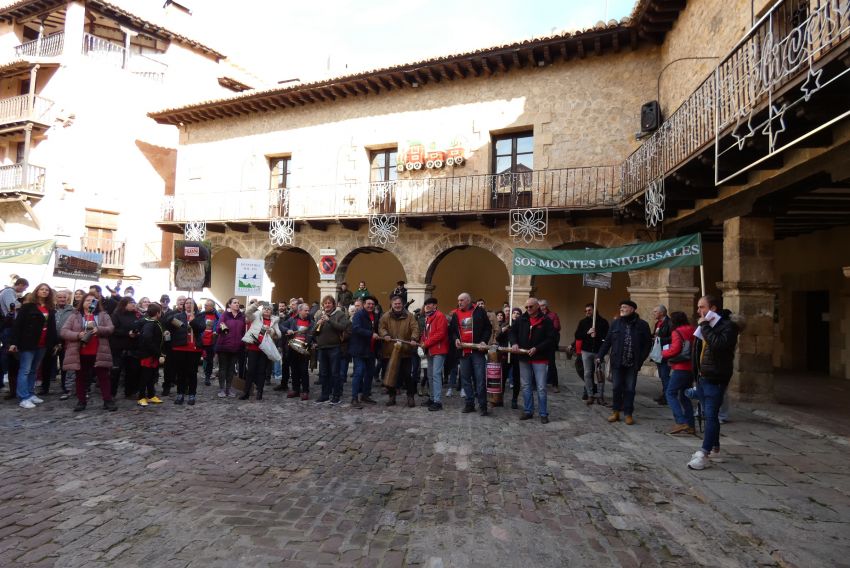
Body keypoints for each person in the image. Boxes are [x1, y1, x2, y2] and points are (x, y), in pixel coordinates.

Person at [687, 296, 743, 470]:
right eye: (698, 307)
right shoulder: (705, 326)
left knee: (711, 415)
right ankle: (715, 449)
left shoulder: (728, 327)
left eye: (702, 307)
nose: (698, 311)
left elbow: (718, 344)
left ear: (713, 308)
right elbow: (698, 351)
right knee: (708, 414)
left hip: (716, 377)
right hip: (703, 376)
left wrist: (704, 326)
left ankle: (704, 452)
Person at [596, 300, 652, 426]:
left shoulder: (642, 325)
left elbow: (648, 344)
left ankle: (628, 414)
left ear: (632, 309)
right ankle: (615, 412)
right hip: (617, 362)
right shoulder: (615, 324)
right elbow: (608, 341)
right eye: (621, 307)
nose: (621, 309)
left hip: (633, 364)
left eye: (624, 307)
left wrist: (641, 359)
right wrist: (600, 355)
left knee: (630, 389)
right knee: (616, 388)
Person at [61, 292, 116, 412]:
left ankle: (107, 400)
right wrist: (78, 335)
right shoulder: (75, 316)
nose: (90, 303)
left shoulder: (102, 315)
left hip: (99, 350)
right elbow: (64, 331)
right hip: (81, 351)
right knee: (81, 378)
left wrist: (99, 329)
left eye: (93, 300)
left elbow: (111, 328)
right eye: (87, 300)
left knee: (103, 377)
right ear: (83, 302)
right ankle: (81, 401)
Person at [8, 283, 57, 409]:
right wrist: (13, 342)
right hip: (28, 343)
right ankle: (23, 397)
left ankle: (30, 393)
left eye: (47, 290)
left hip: (42, 343)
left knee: (34, 370)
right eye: (42, 289)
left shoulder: (50, 308)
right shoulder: (28, 307)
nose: (44, 291)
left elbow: (52, 327)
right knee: (25, 370)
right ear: (37, 291)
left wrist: (54, 342)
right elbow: (18, 325)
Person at [510, 297, 556, 423]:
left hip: (540, 358)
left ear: (537, 307)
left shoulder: (546, 320)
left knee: (541, 387)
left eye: (531, 306)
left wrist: (537, 348)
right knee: (526, 386)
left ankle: (543, 413)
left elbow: (551, 338)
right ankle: (528, 411)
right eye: (526, 307)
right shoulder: (521, 320)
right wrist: (514, 343)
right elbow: (512, 332)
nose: (528, 309)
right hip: (524, 357)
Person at [448, 292, 491, 415]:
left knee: (480, 379)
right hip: (463, 352)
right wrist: (456, 338)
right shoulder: (456, 314)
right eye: (458, 300)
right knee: (465, 379)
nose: (459, 302)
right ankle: (469, 404)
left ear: (468, 301)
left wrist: (483, 341)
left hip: (477, 351)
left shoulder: (479, 311)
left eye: (461, 300)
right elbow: (452, 331)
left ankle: (483, 406)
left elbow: (488, 328)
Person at [378, 295, 420, 407]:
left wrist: (413, 338)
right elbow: (381, 328)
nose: (397, 305)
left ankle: (410, 397)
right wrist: (385, 334)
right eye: (395, 304)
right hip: (390, 351)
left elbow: (415, 328)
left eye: (399, 304)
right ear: (392, 304)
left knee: (407, 375)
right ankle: (392, 397)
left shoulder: (410, 316)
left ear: (402, 304)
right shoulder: (385, 316)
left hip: (405, 351)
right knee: (391, 375)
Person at [163, 297, 205, 405]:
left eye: (191, 303)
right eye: (186, 303)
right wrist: (173, 320)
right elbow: (168, 324)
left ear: (194, 305)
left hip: (194, 348)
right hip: (180, 347)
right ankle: (180, 393)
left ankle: (192, 394)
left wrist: (193, 321)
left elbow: (201, 328)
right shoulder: (178, 316)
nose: (188, 305)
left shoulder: (199, 316)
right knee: (180, 372)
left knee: (192, 372)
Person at [662, 311, 696, 435]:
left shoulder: (677, 332)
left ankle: (681, 421)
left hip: (681, 367)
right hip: (691, 367)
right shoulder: (693, 329)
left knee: (670, 393)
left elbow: (675, 349)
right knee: (684, 396)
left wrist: (664, 353)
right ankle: (691, 425)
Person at [312, 295, 349, 405]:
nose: (327, 305)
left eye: (329, 303)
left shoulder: (339, 314)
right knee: (323, 373)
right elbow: (314, 332)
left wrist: (329, 321)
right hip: (322, 348)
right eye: (325, 303)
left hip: (334, 348)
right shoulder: (320, 315)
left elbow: (343, 327)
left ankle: (336, 395)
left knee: (335, 373)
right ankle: (324, 395)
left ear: (333, 304)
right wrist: (317, 325)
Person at [241, 300, 280, 401]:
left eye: (269, 309)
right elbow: (247, 313)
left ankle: (260, 392)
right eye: (265, 309)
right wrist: (256, 305)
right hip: (253, 347)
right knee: (250, 371)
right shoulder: (256, 316)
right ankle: (246, 392)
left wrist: (271, 331)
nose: (267, 310)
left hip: (265, 349)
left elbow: (278, 334)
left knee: (261, 371)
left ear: (271, 312)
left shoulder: (274, 320)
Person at [574, 303, 610, 406]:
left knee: (600, 374)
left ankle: (600, 396)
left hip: (599, 352)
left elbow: (607, 338)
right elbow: (577, 336)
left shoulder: (603, 322)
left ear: (594, 310)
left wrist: (597, 335)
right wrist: (587, 333)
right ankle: (590, 395)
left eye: (589, 310)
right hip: (586, 351)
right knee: (587, 373)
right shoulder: (583, 322)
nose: (587, 312)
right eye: (585, 311)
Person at [349, 296, 380, 408]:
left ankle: (365, 395)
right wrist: (370, 334)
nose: (370, 305)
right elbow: (356, 329)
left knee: (369, 374)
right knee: (359, 372)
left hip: (371, 350)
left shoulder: (375, 316)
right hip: (359, 350)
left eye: (372, 304)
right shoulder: (359, 315)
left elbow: (377, 329)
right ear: (364, 304)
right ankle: (354, 398)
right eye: (368, 303)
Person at [109, 296, 141, 399]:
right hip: (119, 347)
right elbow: (113, 330)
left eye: (134, 302)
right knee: (115, 372)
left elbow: (140, 326)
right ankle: (111, 393)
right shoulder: (116, 315)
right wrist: (127, 333)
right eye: (131, 302)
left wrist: (138, 332)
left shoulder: (137, 315)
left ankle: (130, 392)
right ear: (124, 304)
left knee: (132, 371)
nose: (133, 304)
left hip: (133, 348)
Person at [1, 277, 28, 397]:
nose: (23, 290)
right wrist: (23, 304)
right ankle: (6, 378)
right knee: (10, 355)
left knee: (11, 356)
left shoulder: (8, 292)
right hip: (9, 325)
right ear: (20, 284)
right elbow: (12, 306)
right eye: (24, 287)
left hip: (9, 326)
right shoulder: (8, 292)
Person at [420, 297, 448, 411]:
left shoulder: (440, 316)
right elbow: (425, 334)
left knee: (436, 375)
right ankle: (432, 398)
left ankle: (437, 401)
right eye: (426, 304)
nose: (427, 306)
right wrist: (422, 341)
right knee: (430, 375)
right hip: (431, 349)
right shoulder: (428, 317)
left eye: (430, 304)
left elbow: (440, 334)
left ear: (435, 306)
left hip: (439, 350)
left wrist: (425, 343)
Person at [281, 303, 313, 400]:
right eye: (305, 310)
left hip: (304, 347)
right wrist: (287, 330)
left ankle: (305, 391)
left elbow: (315, 333)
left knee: (303, 370)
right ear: (299, 311)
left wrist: (314, 342)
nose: (308, 312)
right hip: (293, 348)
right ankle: (296, 390)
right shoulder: (292, 320)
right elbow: (281, 326)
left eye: (308, 310)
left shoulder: (311, 321)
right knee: (294, 370)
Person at [215, 297, 246, 398]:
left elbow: (243, 331)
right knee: (223, 368)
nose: (237, 304)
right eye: (235, 303)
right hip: (224, 346)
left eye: (238, 303)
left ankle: (229, 389)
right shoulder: (225, 315)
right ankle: (221, 389)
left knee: (231, 369)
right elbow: (218, 327)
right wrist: (222, 328)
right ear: (229, 305)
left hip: (236, 347)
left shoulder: (242, 316)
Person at [135, 303, 164, 407]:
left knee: (152, 376)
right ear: (157, 313)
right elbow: (147, 339)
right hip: (148, 355)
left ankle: (151, 395)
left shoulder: (154, 322)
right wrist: (158, 352)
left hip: (152, 355)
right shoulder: (150, 324)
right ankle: (141, 397)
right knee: (145, 377)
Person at [50, 290, 76, 399]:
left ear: (68, 299)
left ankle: (65, 387)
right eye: (59, 297)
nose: (62, 299)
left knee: (64, 364)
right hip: (51, 341)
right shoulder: (51, 309)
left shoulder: (73, 311)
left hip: (65, 341)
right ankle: (45, 386)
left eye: (64, 297)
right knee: (48, 364)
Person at [494, 310, 520, 409]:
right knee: (503, 378)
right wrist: (502, 331)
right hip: (505, 355)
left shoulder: (521, 326)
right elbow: (497, 338)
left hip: (517, 355)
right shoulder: (505, 325)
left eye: (518, 313)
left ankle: (514, 400)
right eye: (514, 313)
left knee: (516, 379)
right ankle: (500, 399)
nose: (515, 315)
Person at [651, 305, 673, 406]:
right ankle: (665, 395)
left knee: (665, 375)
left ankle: (668, 396)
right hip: (658, 352)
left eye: (655, 311)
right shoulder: (657, 323)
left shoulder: (669, 323)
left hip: (666, 352)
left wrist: (660, 340)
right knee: (662, 375)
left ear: (662, 313)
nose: (653, 313)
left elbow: (673, 338)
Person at [539, 299, 561, 392]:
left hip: (550, 343)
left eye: (543, 305)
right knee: (538, 363)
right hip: (539, 343)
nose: (542, 307)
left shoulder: (553, 315)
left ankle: (554, 385)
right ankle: (537, 383)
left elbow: (556, 327)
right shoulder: (537, 315)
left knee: (551, 364)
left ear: (546, 306)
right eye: (540, 305)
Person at [200, 300, 220, 386]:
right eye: (205, 305)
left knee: (209, 361)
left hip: (211, 342)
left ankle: (207, 377)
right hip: (200, 341)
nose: (205, 307)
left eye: (207, 305)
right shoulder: (201, 314)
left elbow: (222, 320)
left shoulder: (217, 315)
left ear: (212, 307)